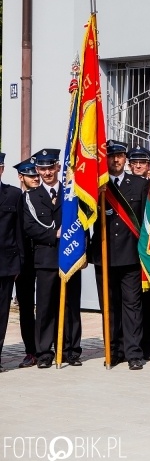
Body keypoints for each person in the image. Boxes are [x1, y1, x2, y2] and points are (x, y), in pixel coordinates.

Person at [90, 140, 150, 370]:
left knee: (132, 306)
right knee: (109, 305)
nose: (116, 160)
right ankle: (112, 350)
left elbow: (146, 223)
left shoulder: (138, 184)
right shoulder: (96, 186)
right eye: (111, 156)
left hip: (131, 255)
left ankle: (133, 352)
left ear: (125, 158)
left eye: (120, 156)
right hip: (103, 255)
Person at [21, 149, 83, 368]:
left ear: (58, 167)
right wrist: (53, 234)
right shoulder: (30, 196)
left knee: (71, 306)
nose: (47, 173)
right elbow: (29, 227)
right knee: (46, 307)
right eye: (42, 169)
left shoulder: (72, 193)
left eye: (50, 168)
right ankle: (45, 352)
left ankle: (71, 351)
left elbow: (82, 220)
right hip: (46, 259)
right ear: (37, 170)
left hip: (72, 256)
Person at [13, 158, 39, 368]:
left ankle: (47, 345)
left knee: (47, 305)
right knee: (26, 308)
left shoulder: (45, 197)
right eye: (31, 176)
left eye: (36, 175)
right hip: (23, 262)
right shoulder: (17, 200)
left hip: (43, 258)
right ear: (22, 178)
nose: (35, 178)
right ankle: (31, 350)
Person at [0, 152, 23, 373]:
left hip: (5, 265)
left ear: (2, 169)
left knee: (1, 314)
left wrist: (19, 263)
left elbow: (19, 233)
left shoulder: (13, 195)